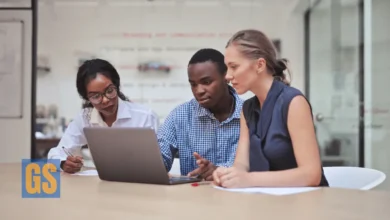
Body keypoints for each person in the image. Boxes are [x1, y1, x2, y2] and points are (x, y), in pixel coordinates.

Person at [213, 29, 329, 188]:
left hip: (306, 205)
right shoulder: (246, 109)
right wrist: (229, 175)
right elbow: (241, 164)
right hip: (267, 203)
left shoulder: (293, 102)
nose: (227, 76)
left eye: (234, 67)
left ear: (260, 65)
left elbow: (311, 175)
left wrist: (249, 180)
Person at [47, 59, 159, 173]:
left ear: (117, 85)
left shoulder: (145, 117)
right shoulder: (85, 118)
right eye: (95, 96)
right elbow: (55, 154)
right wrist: (63, 163)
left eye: (109, 91)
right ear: (87, 98)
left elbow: (156, 164)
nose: (105, 100)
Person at [157, 48, 244, 180]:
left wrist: (218, 171)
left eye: (207, 82)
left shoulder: (251, 114)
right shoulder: (180, 116)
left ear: (226, 77)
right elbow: (160, 159)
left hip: (240, 197)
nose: (199, 91)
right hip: (193, 198)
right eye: (193, 84)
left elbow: (257, 165)